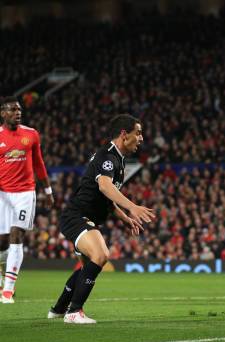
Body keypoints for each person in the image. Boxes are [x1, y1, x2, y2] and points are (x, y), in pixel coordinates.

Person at [48, 114, 155, 324]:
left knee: (87, 266)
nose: (141, 138)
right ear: (124, 135)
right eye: (138, 133)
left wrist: (126, 217)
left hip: (84, 217)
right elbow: (104, 186)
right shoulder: (107, 157)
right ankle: (74, 312)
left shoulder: (119, 161)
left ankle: (58, 309)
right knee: (101, 254)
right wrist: (132, 206)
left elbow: (107, 198)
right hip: (77, 216)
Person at [0, 96, 54, 303]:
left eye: (19, 110)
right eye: (12, 110)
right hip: (3, 194)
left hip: (25, 193)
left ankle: (8, 290)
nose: (17, 113)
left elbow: (39, 164)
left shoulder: (31, 134)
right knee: (2, 242)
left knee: (16, 236)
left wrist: (48, 190)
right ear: (3, 113)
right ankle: (3, 270)